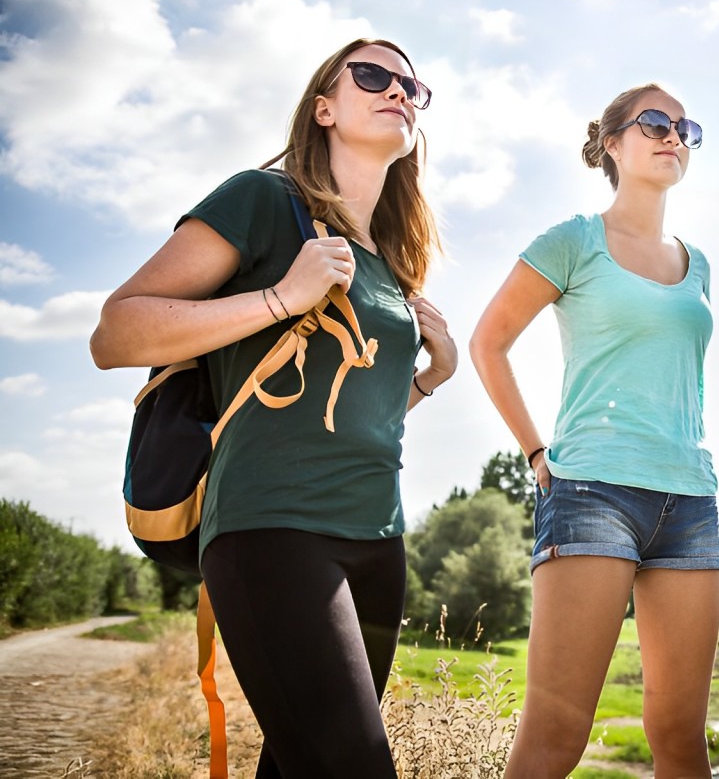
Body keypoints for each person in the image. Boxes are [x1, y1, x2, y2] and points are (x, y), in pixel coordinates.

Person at [90, 38, 455, 777]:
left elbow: (340, 415)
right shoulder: (264, 202)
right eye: (375, 75)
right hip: (271, 529)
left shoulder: (390, 261)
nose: (399, 91)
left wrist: (429, 379)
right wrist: (282, 298)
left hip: (379, 542)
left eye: (414, 87)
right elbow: (115, 332)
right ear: (324, 107)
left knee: (299, 766)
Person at [470, 83, 719, 778]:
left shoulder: (697, 265)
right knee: (557, 735)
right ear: (612, 143)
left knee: (680, 734)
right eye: (653, 122)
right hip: (592, 493)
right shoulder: (573, 241)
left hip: (690, 501)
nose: (673, 135)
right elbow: (488, 343)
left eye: (684, 126)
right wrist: (534, 451)